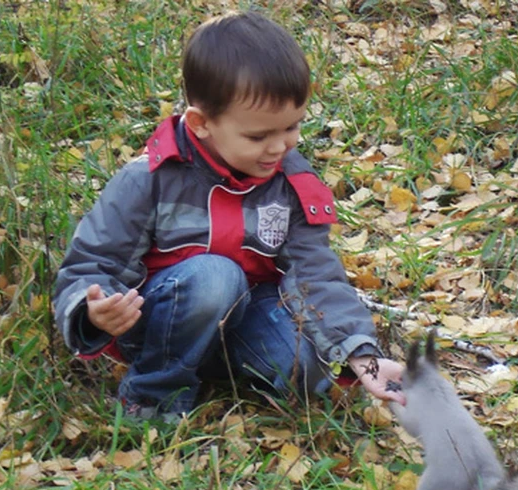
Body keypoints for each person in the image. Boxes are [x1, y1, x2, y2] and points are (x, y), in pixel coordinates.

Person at [53, 11, 405, 420]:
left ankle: (217, 368)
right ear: (202, 124)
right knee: (216, 277)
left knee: (309, 368)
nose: (279, 147)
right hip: (160, 320)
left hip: (247, 314)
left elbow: (315, 275)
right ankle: (153, 397)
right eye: (258, 136)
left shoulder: (292, 181)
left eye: (292, 127)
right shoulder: (149, 180)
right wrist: (94, 312)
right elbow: (90, 264)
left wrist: (362, 355)